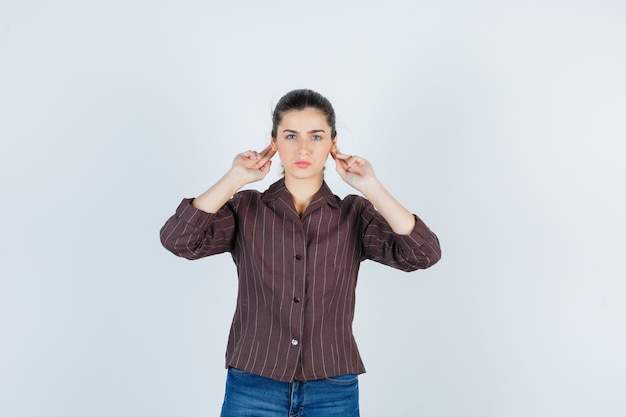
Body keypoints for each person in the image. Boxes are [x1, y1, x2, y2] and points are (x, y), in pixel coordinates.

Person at [160, 89, 441, 417]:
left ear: (332, 143)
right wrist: (235, 177)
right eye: (291, 135)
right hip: (254, 382)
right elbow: (179, 240)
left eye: (316, 136)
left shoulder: (354, 214)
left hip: (332, 387)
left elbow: (423, 254)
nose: (303, 147)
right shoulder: (246, 209)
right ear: (274, 142)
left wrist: (371, 187)